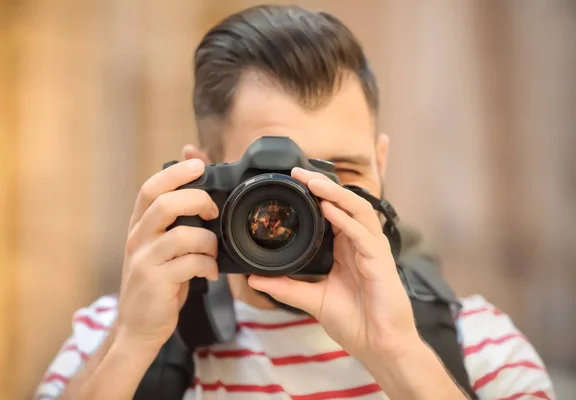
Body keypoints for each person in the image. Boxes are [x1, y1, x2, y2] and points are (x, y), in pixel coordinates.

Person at [35, 5, 554, 400]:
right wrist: (130, 346)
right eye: (273, 182)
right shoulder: (107, 340)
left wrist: (398, 355)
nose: (310, 207)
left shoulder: (480, 350)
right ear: (200, 178)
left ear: (381, 166)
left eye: (343, 173)